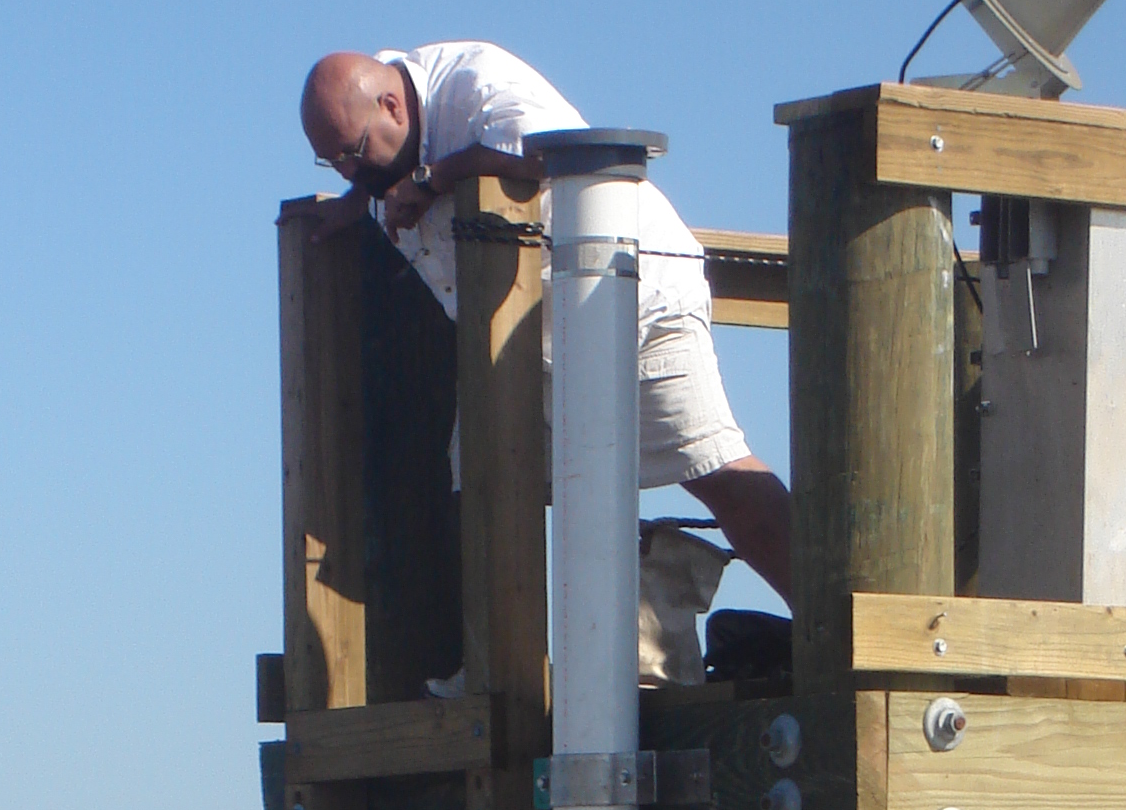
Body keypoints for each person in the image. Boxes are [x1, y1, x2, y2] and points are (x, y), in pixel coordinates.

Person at [299, 46, 792, 606]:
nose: (349, 171)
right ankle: (513, 657)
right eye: (332, 162)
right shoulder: (377, 134)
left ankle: (827, 623)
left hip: (628, 303)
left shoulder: (477, 82)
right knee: (484, 492)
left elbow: (549, 154)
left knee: (714, 469)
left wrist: (434, 179)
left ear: (392, 105)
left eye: (353, 154)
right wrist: (355, 198)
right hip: (521, 340)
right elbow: (375, 165)